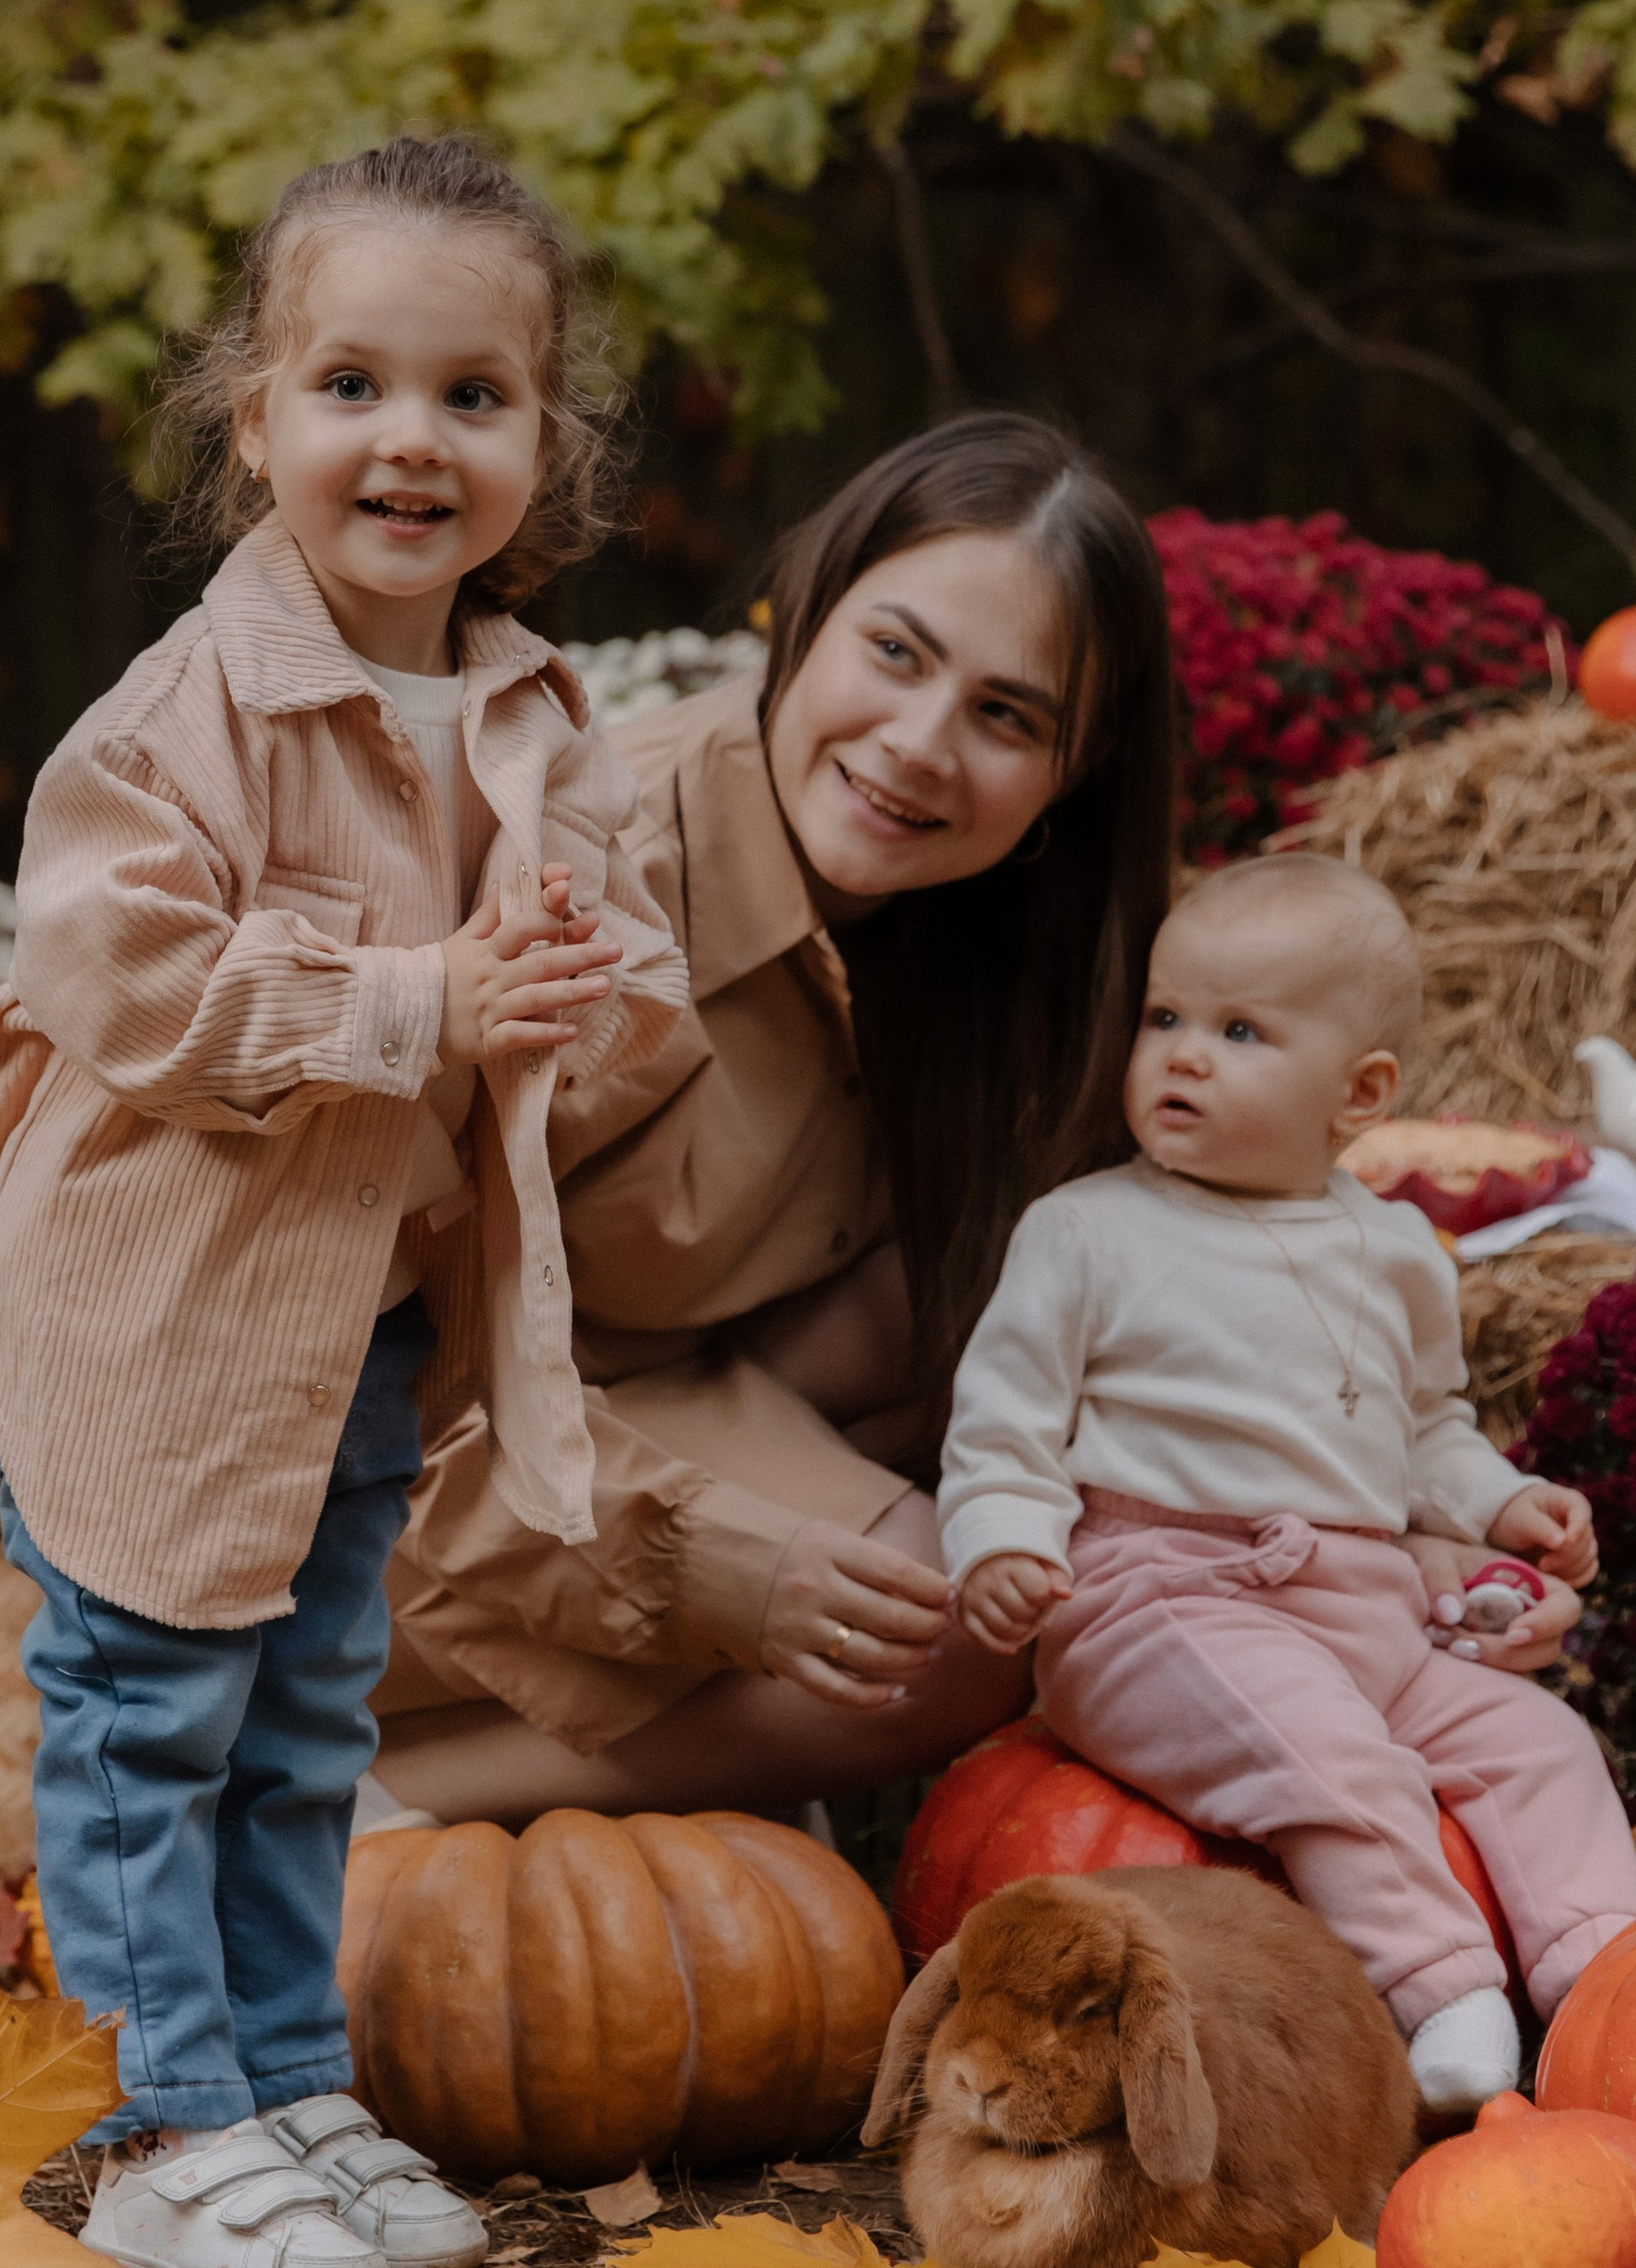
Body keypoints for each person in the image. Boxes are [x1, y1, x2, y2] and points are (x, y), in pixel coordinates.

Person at [0, 135, 685, 2268]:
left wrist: (575, 987)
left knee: (308, 1707)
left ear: (548, 443)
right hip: (151, 1307)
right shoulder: (187, 713)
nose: (406, 441)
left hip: (354, 1306)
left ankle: (279, 2075)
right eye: (349, 385)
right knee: (149, 1701)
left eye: (469, 394)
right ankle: (164, 2126)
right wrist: (420, 997)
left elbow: (604, 980)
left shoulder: (534, 713)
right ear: (252, 422)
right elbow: (116, 974)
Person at [362, 410, 1178, 1826]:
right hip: (370, 1491)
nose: (921, 746)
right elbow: (358, 1389)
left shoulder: (993, 955)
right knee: (937, 1624)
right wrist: (723, 1567)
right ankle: (362, 1810)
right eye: (896, 653)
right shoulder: (580, 903)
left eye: (1008, 716)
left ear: (1071, 777)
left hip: (614, 1406)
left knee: (1003, 1316)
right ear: (804, 611)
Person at [940, 854, 1636, 2113]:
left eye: (1239, 1030)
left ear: (1359, 1093)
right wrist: (1001, 1538)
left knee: (1536, 1739)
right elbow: (1006, 1417)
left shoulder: (1394, 1248)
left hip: (1363, 1611)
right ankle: (1444, 1996)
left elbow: (1423, 1425)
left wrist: (1496, 1502)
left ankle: (1612, 1980)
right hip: (1160, 1597)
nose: (1182, 1055)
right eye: (1164, 1018)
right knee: (1327, 1756)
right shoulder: (1086, 1229)